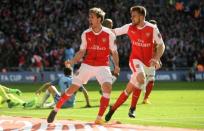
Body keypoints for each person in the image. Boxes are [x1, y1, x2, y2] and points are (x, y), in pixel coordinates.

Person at [47, 7, 120, 124]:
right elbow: (81, 52)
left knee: (108, 88)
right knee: (72, 89)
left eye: (92, 17)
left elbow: (115, 52)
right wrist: (72, 61)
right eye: (89, 17)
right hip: (87, 65)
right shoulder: (85, 34)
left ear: (99, 19)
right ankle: (56, 110)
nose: (89, 19)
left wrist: (117, 65)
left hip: (102, 65)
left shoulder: (109, 34)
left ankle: (98, 118)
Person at [105, 5, 165, 121]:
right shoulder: (129, 27)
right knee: (141, 78)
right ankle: (133, 108)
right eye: (131, 16)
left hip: (147, 63)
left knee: (129, 90)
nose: (131, 18)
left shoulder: (152, 28)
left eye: (134, 16)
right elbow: (114, 31)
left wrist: (156, 58)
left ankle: (113, 109)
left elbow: (162, 45)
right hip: (135, 60)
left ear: (142, 17)